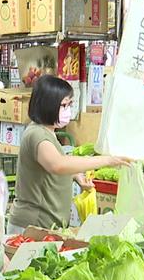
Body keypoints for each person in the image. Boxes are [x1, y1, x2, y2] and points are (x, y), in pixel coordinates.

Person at [8, 75, 130, 233]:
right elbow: (57, 165)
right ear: (48, 106)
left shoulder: (47, 132)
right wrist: (107, 160)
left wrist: (76, 175)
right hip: (34, 224)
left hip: (46, 224)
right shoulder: (37, 135)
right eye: (64, 105)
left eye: (70, 104)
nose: (68, 110)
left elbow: (49, 168)